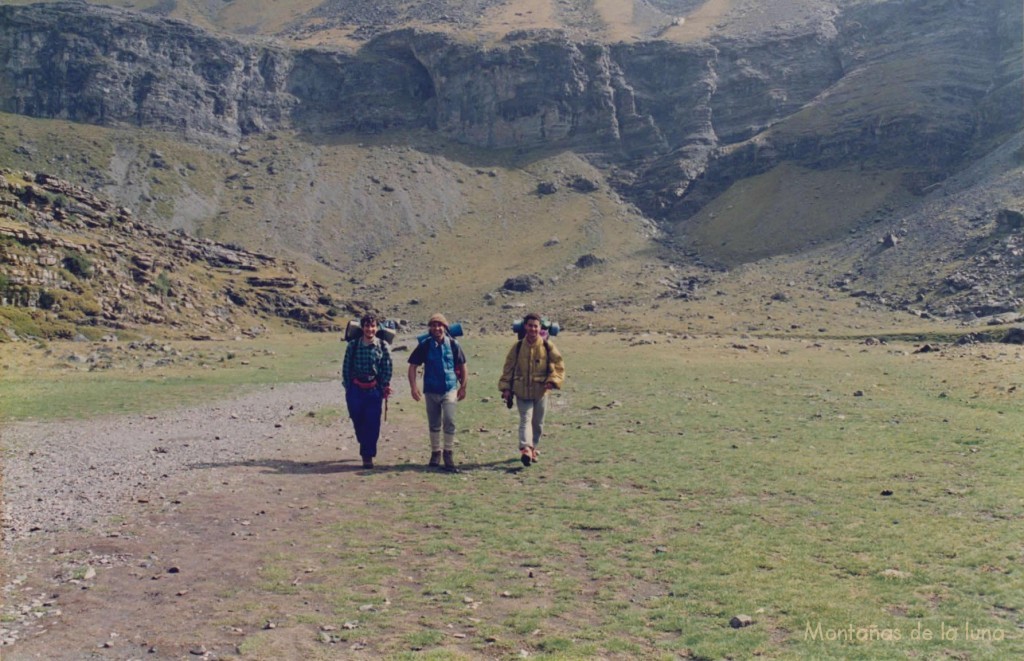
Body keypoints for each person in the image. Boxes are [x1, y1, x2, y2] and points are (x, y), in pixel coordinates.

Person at [498, 312, 565, 466]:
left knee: (538, 424)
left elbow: (559, 365)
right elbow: (508, 368)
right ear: (525, 327)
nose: (532, 329)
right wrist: (506, 388)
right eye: (530, 326)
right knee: (525, 419)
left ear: (539, 327)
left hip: (540, 391)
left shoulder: (548, 346)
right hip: (521, 390)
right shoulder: (518, 347)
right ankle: (526, 449)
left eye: (535, 326)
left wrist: (553, 381)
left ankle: (533, 447)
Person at [407, 313, 468, 472]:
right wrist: (413, 387)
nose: (437, 328)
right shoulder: (425, 345)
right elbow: (413, 365)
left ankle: (448, 453)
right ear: (430, 328)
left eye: (440, 325)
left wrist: (463, 387)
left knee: (449, 419)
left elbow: (462, 366)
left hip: (449, 389)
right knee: (434, 423)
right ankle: (435, 453)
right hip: (431, 390)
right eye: (433, 325)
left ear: (445, 327)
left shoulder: (454, 344)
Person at [342, 313, 394, 469]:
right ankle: (364, 444)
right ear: (362, 327)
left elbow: (387, 366)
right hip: (355, 389)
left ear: (376, 328)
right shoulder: (353, 345)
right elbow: (346, 367)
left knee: (372, 423)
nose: (369, 329)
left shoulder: (383, 346)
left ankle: (367, 455)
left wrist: (383, 385)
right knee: (357, 420)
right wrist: (348, 387)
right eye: (366, 326)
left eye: (372, 326)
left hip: (373, 390)